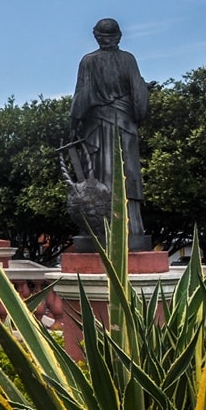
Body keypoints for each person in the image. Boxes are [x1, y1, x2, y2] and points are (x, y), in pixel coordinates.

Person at [69, 18, 150, 242]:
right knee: (127, 172)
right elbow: (138, 95)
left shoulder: (88, 61)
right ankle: (131, 228)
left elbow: (83, 94)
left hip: (97, 124)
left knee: (102, 173)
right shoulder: (128, 60)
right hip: (125, 124)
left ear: (97, 36)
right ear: (119, 36)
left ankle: (103, 226)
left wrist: (73, 123)